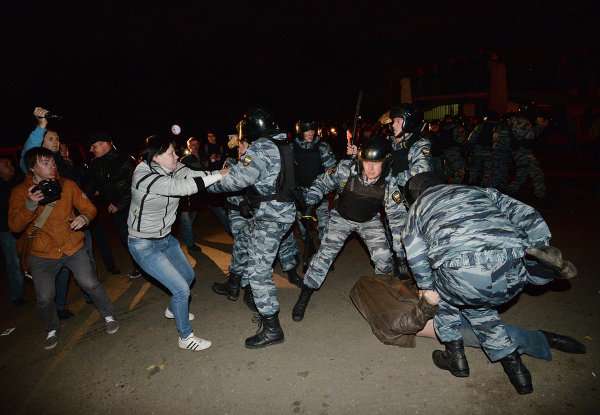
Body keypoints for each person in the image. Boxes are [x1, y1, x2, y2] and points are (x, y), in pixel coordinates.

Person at [402, 172, 575, 394]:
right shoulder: (478, 190)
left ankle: (455, 358)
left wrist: (426, 288)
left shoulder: (418, 208)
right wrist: (540, 241)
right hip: (509, 268)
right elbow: (526, 213)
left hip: (465, 272)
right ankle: (517, 370)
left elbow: (415, 255)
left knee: (441, 293)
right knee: (480, 306)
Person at [9, 147, 119, 350]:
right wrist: (30, 205)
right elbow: (14, 226)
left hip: (71, 246)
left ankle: (109, 315)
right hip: (41, 254)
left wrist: (84, 217)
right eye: (45, 163)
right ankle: (51, 328)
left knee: (91, 283)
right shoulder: (19, 192)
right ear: (32, 168)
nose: (52, 166)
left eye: (52, 162)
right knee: (44, 298)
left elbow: (90, 208)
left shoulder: (67, 185)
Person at [127, 135, 226, 352]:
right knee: (181, 290)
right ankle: (185, 337)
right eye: (171, 153)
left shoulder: (172, 167)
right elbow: (183, 188)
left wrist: (220, 174)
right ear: (155, 157)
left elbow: (195, 175)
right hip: (143, 244)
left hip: (166, 239)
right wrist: (220, 174)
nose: (176, 156)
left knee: (189, 277)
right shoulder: (142, 175)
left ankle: (173, 310)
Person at [208, 107, 297, 349]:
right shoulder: (282, 143)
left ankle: (271, 327)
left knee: (259, 272)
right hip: (279, 212)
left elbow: (238, 179)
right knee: (244, 239)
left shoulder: (261, 147)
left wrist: (205, 185)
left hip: (271, 217)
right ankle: (234, 282)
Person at [292, 136, 395, 321]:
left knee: (385, 258)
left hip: (369, 221)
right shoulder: (346, 169)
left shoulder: (389, 183)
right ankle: (305, 294)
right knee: (324, 256)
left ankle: (382, 296)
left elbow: (397, 217)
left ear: (385, 163)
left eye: (376, 163)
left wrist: (401, 249)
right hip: (342, 218)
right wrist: (310, 202)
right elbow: (322, 182)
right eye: (366, 162)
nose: (370, 168)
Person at [85, 132, 140, 278]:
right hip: (115, 210)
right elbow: (94, 183)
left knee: (138, 237)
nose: (91, 150)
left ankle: (145, 265)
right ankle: (140, 266)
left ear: (105, 144)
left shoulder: (125, 159)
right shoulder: (95, 163)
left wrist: (119, 204)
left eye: (93, 146)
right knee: (126, 238)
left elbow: (135, 185)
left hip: (132, 206)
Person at [293, 120, 337, 271]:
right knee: (304, 229)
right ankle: (309, 250)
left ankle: (325, 258)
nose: (310, 133)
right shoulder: (293, 147)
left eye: (312, 130)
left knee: (324, 227)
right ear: (301, 131)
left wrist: (323, 185)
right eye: (307, 130)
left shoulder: (322, 146)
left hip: (320, 194)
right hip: (300, 195)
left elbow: (331, 169)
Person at [0, 156, 25, 305]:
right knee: (13, 263)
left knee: (29, 258)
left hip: (22, 228)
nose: (11, 166)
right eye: (6, 165)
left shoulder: (17, 182)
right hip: (6, 231)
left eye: (10, 163)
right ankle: (16, 296)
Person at [178, 136, 207, 252]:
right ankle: (190, 244)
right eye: (192, 145)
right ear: (188, 147)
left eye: (196, 144)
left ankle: (186, 233)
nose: (195, 147)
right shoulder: (185, 160)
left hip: (199, 193)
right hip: (186, 194)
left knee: (192, 217)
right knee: (186, 219)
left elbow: (207, 171)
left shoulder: (204, 157)